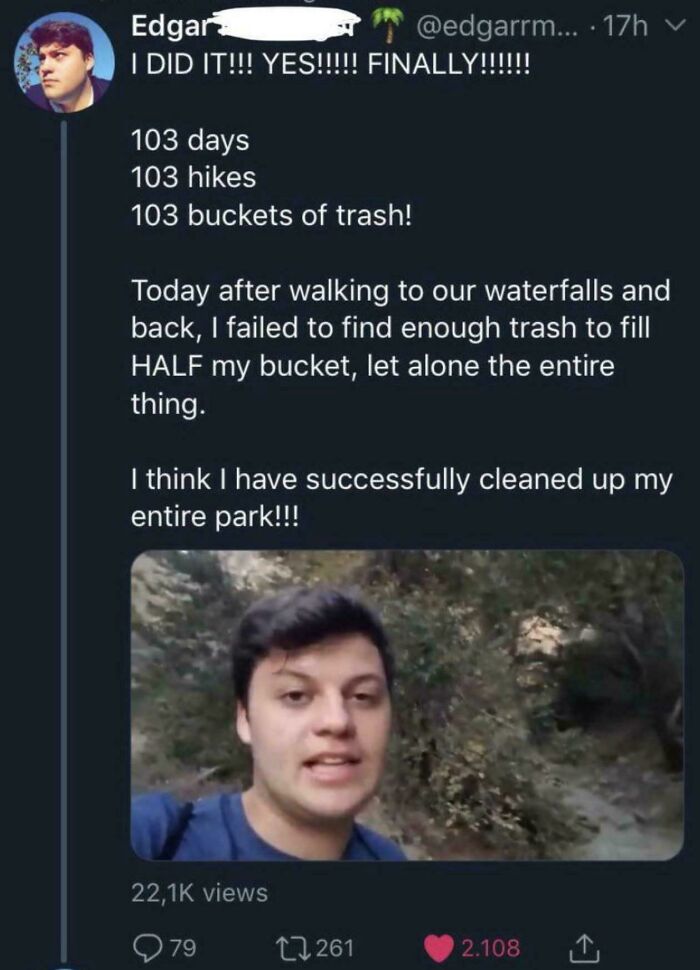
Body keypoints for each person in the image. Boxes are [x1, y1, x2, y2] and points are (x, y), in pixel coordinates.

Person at [132, 587, 406, 860]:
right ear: (244, 719)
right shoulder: (158, 839)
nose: (337, 721)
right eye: (296, 696)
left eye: (362, 696)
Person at [24, 20, 110, 113]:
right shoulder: (31, 96)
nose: (44, 68)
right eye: (42, 58)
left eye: (59, 55)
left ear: (88, 61)